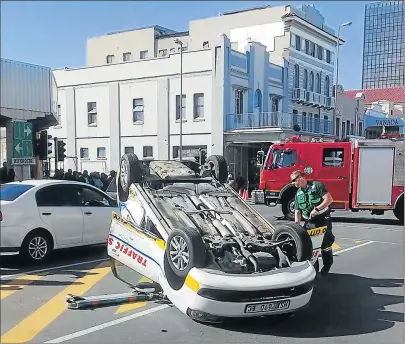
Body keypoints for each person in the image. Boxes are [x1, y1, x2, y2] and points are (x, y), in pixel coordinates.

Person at [290, 170, 335, 277]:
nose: (293, 183)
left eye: (294, 180)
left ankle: (327, 266)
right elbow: (297, 211)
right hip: (309, 221)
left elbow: (329, 199)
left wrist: (317, 209)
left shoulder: (317, 186)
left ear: (301, 177)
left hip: (322, 218)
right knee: (308, 244)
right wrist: (296, 225)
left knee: (325, 243)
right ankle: (313, 268)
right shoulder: (298, 193)